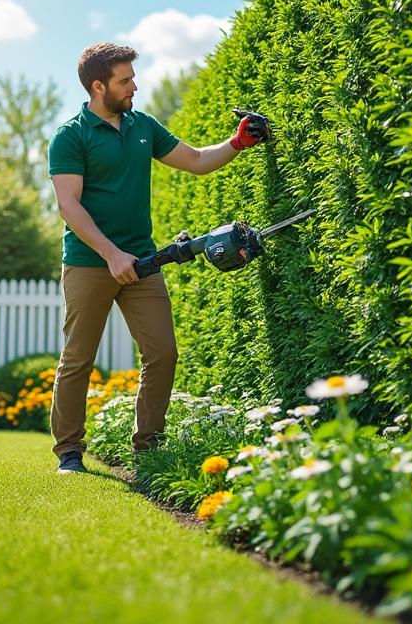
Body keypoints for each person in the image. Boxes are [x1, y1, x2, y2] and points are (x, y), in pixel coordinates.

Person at [47, 42, 266, 474]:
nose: (134, 87)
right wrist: (110, 254)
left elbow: (198, 160)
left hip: (143, 263)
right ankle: (70, 451)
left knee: (163, 353)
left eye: (132, 78)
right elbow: (68, 206)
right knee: (78, 358)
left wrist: (238, 142)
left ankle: (148, 448)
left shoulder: (143, 125)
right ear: (98, 86)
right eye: (124, 80)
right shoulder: (71, 136)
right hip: (90, 263)